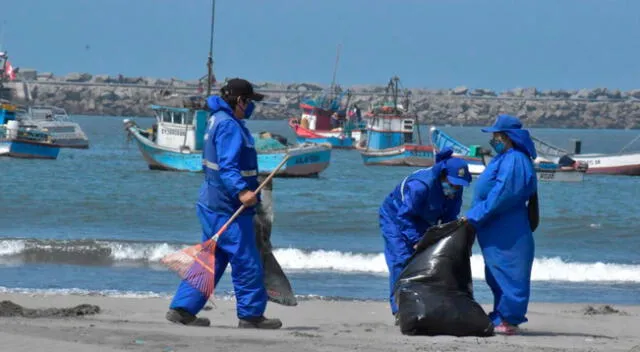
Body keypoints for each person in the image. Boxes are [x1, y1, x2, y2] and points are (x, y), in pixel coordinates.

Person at [166, 78, 282, 330]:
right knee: (246, 260)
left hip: (211, 201)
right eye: (250, 101)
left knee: (212, 259)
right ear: (240, 101)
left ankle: (183, 309)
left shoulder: (217, 118)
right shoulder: (229, 125)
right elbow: (228, 167)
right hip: (227, 205)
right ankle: (251, 316)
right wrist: (242, 192)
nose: (252, 106)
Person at [463, 114, 538, 335]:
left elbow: (502, 195)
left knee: (510, 274)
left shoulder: (515, 159)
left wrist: (474, 215)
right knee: (496, 274)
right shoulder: (504, 157)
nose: (493, 140)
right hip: (495, 230)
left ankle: (509, 319)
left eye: (496, 135)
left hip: (508, 232)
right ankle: (500, 314)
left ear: (507, 137)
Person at [379, 148, 473, 323]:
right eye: (452, 184)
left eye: (459, 185)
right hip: (395, 216)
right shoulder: (420, 187)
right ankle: (400, 309)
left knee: (429, 260)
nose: (455, 188)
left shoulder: (455, 190)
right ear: (443, 176)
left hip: (423, 219)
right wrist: (415, 241)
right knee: (402, 260)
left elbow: (448, 218)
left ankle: (424, 302)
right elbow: (404, 216)